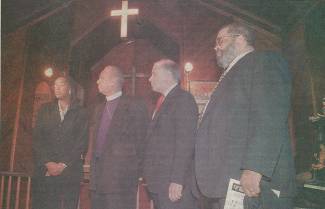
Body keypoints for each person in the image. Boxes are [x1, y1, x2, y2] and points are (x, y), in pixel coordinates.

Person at [194, 22, 296, 209]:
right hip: (224, 183)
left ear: (240, 39)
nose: (215, 47)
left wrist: (255, 168)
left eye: (220, 41)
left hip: (252, 184)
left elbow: (270, 115)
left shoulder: (264, 61)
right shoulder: (230, 75)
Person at [89, 65, 148, 209]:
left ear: (113, 81)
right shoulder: (98, 108)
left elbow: (142, 142)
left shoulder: (135, 105)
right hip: (98, 180)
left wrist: (134, 171)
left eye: (101, 78)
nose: (97, 81)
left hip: (121, 181)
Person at [143, 59, 198, 209]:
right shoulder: (162, 101)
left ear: (168, 75)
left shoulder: (183, 99)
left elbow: (185, 143)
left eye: (153, 74)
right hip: (159, 184)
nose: (149, 78)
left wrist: (177, 180)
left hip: (173, 185)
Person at [32, 76, 88, 209]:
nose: (56, 88)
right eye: (55, 85)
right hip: (45, 171)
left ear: (69, 89)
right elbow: (37, 140)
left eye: (61, 84)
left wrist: (62, 165)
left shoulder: (80, 112)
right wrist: (48, 163)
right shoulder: (45, 110)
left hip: (70, 173)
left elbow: (82, 143)